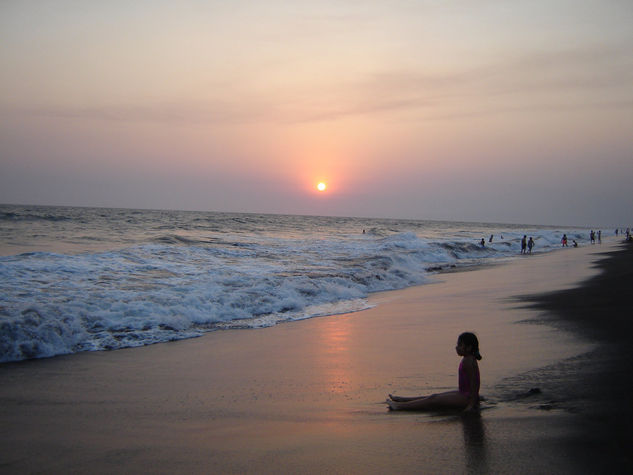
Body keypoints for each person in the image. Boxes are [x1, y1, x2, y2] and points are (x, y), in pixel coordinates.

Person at [386, 332, 482, 412]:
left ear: (469, 348)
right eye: (457, 345)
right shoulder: (468, 359)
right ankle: (402, 400)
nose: (456, 347)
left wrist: (472, 404)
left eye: (460, 345)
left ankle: (399, 406)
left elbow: (475, 383)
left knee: (433, 399)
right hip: (464, 393)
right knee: (433, 396)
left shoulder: (469, 361)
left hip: (467, 398)